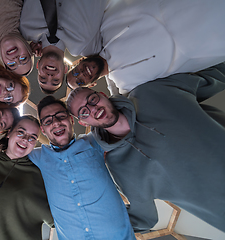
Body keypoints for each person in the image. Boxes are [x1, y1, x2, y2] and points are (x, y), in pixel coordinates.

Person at [66, 62, 225, 232]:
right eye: (83, 111)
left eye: (92, 99)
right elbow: (144, 219)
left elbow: (213, 78)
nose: (92, 108)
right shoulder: (118, 165)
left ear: (103, 94)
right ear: (83, 122)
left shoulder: (149, 93)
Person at [28, 96, 135, 239]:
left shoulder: (93, 142)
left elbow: (123, 121)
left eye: (60, 116)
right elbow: (3, 150)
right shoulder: (37, 157)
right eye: (48, 121)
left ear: (71, 120)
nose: (56, 123)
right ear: (43, 130)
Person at [66, 0, 225, 95]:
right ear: (91, 85)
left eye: (75, 71)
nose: (82, 73)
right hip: (203, 39)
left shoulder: (104, 27)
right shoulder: (126, 85)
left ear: (79, 61)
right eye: (80, 81)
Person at [19, 0, 107, 94]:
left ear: (38, 65)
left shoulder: (26, 29)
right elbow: (110, 61)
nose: (49, 75)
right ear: (65, 69)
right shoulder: (86, 46)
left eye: (43, 78)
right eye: (55, 80)